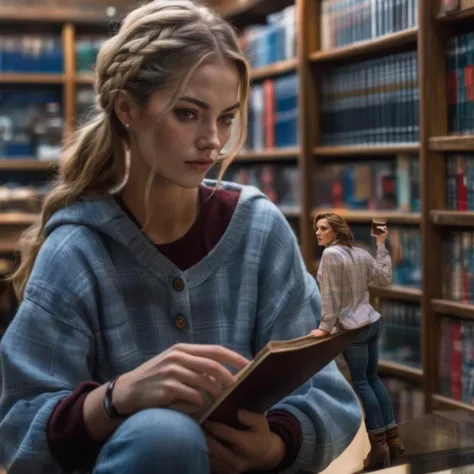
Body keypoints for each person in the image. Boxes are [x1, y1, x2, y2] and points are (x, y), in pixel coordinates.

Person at [0, 2, 363, 473]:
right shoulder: (78, 251)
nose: (213, 140)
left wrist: (275, 445)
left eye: (227, 117)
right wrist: (118, 398)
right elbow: (16, 428)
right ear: (127, 108)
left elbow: (331, 396)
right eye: (188, 114)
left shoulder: (259, 230)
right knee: (163, 436)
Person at [310, 212, 404, 471]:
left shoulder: (330, 256)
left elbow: (330, 294)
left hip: (354, 328)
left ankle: (378, 444)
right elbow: (385, 278)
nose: (317, 233)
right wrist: (381, 243)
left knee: (362, 383)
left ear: (337, 231)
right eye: (317, 228)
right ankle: (393, 438)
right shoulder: (361, 253)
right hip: (372, 322)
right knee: (373, 379)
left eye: (323, 228)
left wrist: (324, 327)